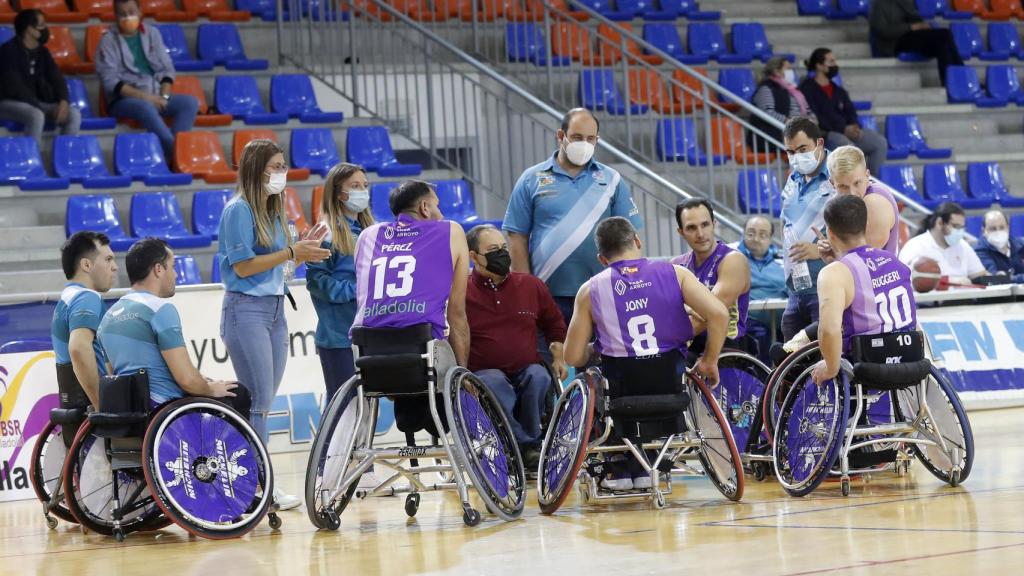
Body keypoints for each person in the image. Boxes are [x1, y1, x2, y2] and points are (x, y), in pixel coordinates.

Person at [564, 216, 726, 490]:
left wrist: (593, 349)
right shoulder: (676, 273)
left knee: (593, 372)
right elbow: (719, 314)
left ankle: (619, 461)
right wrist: (709, 360)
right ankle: (650, 457)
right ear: (637, 242)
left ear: (602, 259)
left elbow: (571, 357)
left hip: (623, 388)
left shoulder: (590, 289)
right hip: (670, 382)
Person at [218, 139, 330, 510]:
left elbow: (279, 269)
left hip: (275, 310)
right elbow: (243, 267)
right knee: (258, 405)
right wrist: (292, 252)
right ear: (256, 168)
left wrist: (301, 251)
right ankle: (257, 485)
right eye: (275, 166)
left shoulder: (275, 210)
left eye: (283, 165)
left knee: (262, 402)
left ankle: (250, 480)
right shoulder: (238, 210)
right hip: (245, 309)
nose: (281, 172)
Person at [503, 108, 643, 325]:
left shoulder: (612, 179)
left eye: (590, 139)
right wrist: (526, 289)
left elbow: (628, 238)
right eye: (577, 137)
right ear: (561, 136)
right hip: (548, 294)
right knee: (553, 357)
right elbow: (516, 236)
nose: (584, 144)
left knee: (602, 357)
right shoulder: (531, 179)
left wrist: (631, 285)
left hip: (603, 292)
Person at [464, 224, 568, 468]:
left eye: (503, 247)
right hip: (484, 371)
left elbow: (554, 324)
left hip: (526, 366)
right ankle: (525, 446)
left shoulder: (531, 285)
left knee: (539, 376)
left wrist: (559, 356)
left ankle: (527, 444)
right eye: (492, 249)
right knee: (494, 382)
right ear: (473, 257)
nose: (501, 253)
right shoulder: (462, 291)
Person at [97, 238, 243, 410]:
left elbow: (113, 375)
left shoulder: (107, 319)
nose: (175, 274)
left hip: (131, 410)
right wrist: (211, 389)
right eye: (172, 267)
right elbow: (187, 380)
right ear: (158, 269)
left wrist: (200, 380)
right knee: (240, 395)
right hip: (165, 407)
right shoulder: (159, 309)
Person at [351, 179, 471, 364]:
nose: (441, 214)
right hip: (423, 353)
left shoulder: (368, 235)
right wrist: (463, 372)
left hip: (370, 356)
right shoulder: (450, 231)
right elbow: (456, 313)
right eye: (437, 206)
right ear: (424, 207)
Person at [810, 195, 917, 385]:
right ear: (865, 225)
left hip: (867, 363)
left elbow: (829, 330)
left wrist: (830, 367)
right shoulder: (894, 261)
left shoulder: (834, 274)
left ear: (830, 233)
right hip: (910, 358)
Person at [306, 163, 375, 406]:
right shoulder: (325, 233)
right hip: (339, 337)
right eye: (354, 186)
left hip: (371, 334)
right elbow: (316, 282)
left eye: (365, 186)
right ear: (338, 193)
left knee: (365, 408)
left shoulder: (372, 231)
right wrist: (359, 290)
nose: (362, 191)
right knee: (342, 411)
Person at [95, 0, 198, 160]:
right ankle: (176, 155)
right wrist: (148, 99)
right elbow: (110, 82)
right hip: (124, 100)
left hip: (156, 94)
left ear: (140, 11)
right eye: (122, 14)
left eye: (131, 12)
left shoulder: (152, 34)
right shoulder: (107, 41)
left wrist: (163, 97)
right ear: (115, 16)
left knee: (190, 103)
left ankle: (175, 149)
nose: (127, 17)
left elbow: (167, 68)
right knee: (145, 107)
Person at [671, 198, 751, 353]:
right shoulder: (676, 265)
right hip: (688, 345)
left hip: (726, 348)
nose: (700, 234)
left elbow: (711, 312)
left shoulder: (733, 260)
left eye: (705, 225)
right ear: (681, 232)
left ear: (714, 224)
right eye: (691, 228)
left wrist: (685, 308)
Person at [780, 117, 833, 341]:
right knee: (790, 367)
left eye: (803, 149)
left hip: (827, 288)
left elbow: (856, 227)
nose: (796, 157)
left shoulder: (838, 175)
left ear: (819, 144)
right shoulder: (792, 179)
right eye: (791, 152)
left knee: (827, 363)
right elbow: (786, 223)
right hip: (795, 288)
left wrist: (820, 250)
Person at [51, 232, 118, 408]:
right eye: (108, 259)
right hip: (88, 410)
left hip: (75, 403)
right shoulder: (86, 298)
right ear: (87, 264)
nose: (115, 267)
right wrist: (101, 406)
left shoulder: (67, 298)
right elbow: (78, 349)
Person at [799, 48, 888, 176]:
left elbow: (851, 111)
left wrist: (854, 126)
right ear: (819, 65)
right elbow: (817, 117)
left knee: (879, 143)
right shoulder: (807, 89)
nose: (835, 65)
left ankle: (870, 184)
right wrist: (843, 129)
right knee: (849, 147)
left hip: (847, 131)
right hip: (826, 135)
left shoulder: (838, 90)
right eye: (831, 61)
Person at [0, 9, 80, 143]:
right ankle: (32, 159)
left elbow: (56, 77)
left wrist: (63, 101)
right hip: (8, 103)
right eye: (42, 25)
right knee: (36, 115)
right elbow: (15, 87)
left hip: (36, 103)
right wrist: (40, 107)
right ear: (30, 29)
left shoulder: (43, 52)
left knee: (73, 114)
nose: (45, 29)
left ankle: (65, 154)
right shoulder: (7, 51)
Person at [869, 0, 963, 87]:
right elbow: (883, 31)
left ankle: (956, 82)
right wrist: (911, 27)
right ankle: (956, 82)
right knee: (943, 37)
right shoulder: (879, 4)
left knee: (944, 36)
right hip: (894, 42)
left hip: (912, 37)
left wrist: (921, 25)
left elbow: (915, 18)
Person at [825, 145, 899, 254]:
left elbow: (866, 257)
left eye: (857, 183)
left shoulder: (875, 203)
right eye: (843, 186)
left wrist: (833, 249)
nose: (852, 193)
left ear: (867, 175)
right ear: (832, 184)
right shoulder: (837, 203)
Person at [898, 201, 986, 285]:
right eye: (955, 226)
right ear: (940, 222)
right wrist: (948, 281)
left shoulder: (963, 246)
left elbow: (980, 275)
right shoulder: (915, 246)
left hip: (964, 299)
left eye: (962, 227)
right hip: (929, 299)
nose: (959, 231)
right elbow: (906, 279)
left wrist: (996, 277)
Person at [738, 216, 787, 364]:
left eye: (763, 234)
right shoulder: (734, 260)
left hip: (782, 322)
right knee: (760, 336)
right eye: (751, 233)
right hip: (751, 321)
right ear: (743, 234)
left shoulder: (783, 262)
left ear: (771, 238)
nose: (756, 239)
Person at [749, 55, 815, 149]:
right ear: (777, 71)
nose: (791, 72)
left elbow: (807, 110)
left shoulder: (793, 90)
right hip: (772, 134)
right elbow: (767, 112)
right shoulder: (766, 88)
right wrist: (788, 121)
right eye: (788, 69)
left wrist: (812, 120)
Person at [973, 209, 1024, 282]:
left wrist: (1011, 278)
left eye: (1002, 227)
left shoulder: (1020, 245)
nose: (998, 231)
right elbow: (996, 278)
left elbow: (1005, 278)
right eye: (992, 229)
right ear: (983, 231)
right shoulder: (979, 251)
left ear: (1008, 228)